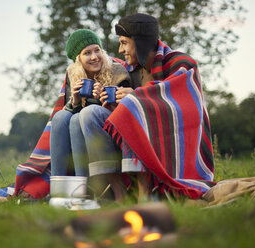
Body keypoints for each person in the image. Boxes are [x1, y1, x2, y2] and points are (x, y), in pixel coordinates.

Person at [79, 13, 215, 202]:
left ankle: (144, 192)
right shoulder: (128, 69)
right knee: (90, 114)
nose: (120, 50)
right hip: (137, 132)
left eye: (124, 43)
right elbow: (123, 108)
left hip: (173, 135)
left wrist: (135, 97)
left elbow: (187, 110)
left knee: (132, 105)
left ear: (140, 42)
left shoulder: (182, 64)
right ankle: (118, 194)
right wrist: (109, 98)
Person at [14, 29, 131, 198]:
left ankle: (82, 189)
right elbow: (69, 112)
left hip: (109, 131)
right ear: (78, 59)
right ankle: (59, 190)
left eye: (97, 50)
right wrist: (75, 100)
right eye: (87, 53)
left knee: (78, 119)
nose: (94, 57)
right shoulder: (73, 75)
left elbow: (124, 109)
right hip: (81, 132)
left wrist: (102, 97)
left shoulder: (117, 71)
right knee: (61, 116)